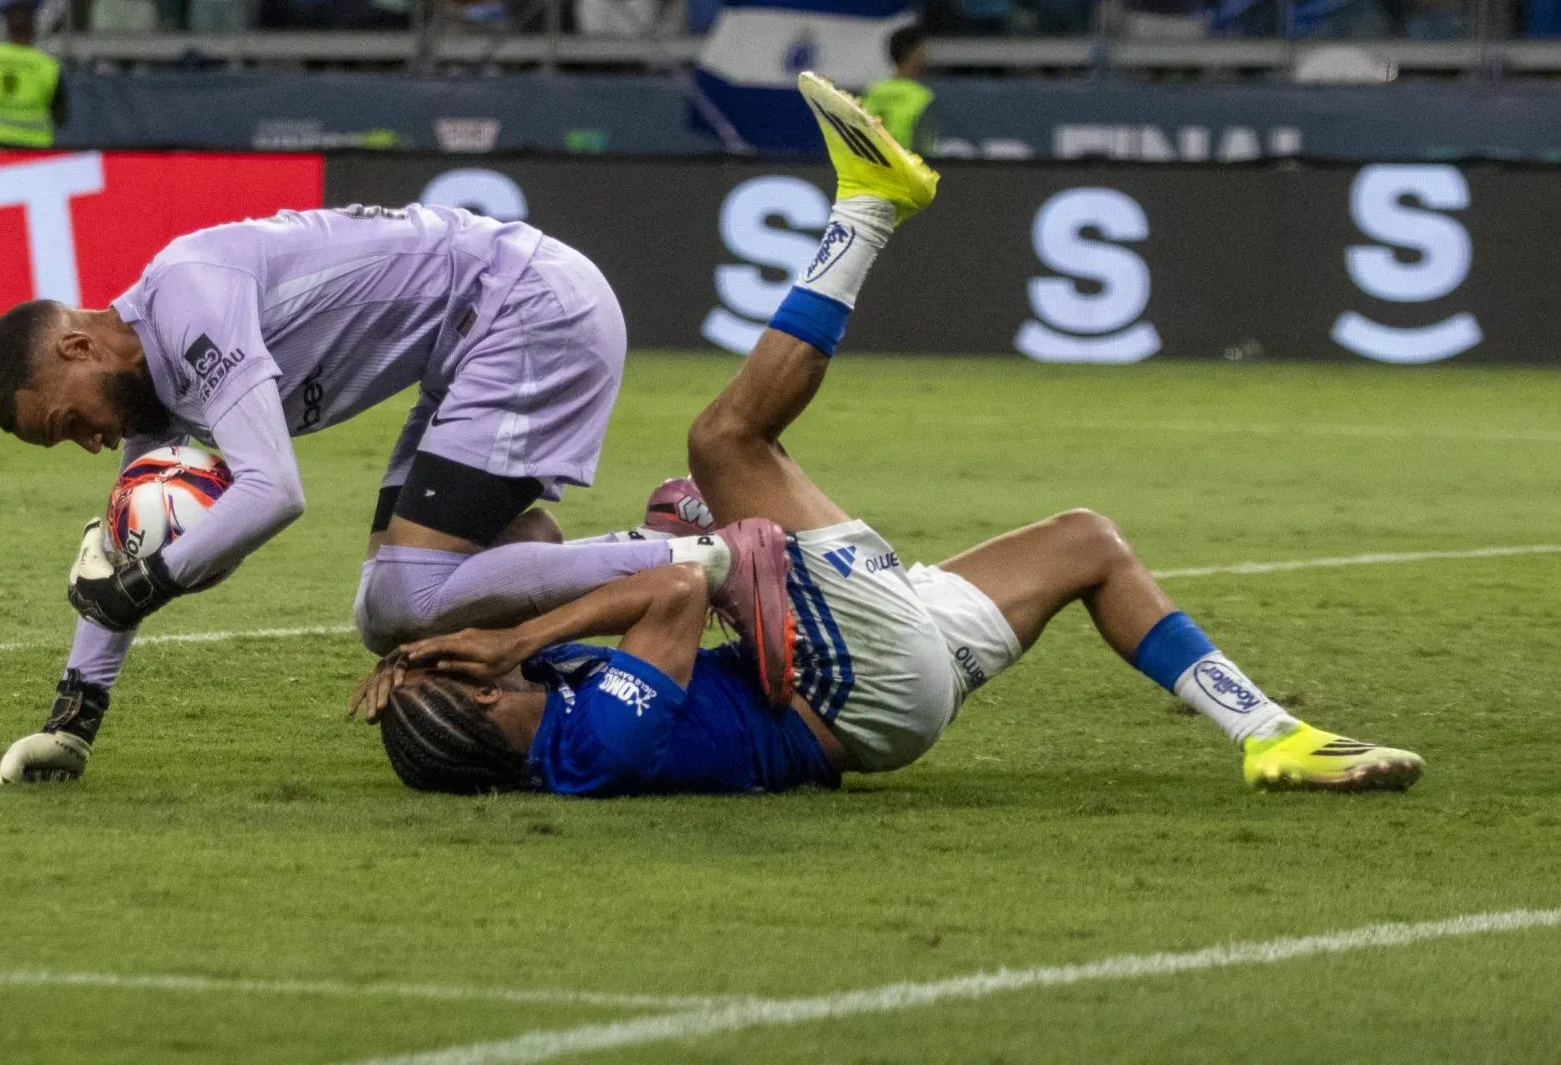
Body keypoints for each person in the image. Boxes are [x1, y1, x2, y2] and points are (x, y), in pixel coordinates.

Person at [358, 72, 1425, 799]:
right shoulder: (595, 745)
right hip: (848, 688)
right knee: (724, 446)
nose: (462, 662)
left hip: (884, 682)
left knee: (1085, 542)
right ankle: (868, 206)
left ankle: (1273, 737)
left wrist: (422, 649)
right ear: (486, 701)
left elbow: (539, 566)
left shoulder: (548, 713)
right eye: (461, 678)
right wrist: (518, 634)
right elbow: (676, 591)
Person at [0, 204, 793, 784]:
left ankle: (707, 555)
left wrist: (149, 582)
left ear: (80, 343)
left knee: (408, 590)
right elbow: (133, 559)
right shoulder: (151, 393)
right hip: (471, 346)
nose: (88, 443)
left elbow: (271, 491)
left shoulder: (191, 298)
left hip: (526, 311)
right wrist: (73, 718)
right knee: (388, 611)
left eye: (67, 421)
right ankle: (642, 538)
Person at [0, 0, 67, 147]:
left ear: (7, 26)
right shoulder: (48, 66)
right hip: (32, 152)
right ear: (33, 26)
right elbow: (61, 116)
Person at [861, 25, 935, 154]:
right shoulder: (923, 96)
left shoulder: (873, 91)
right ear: (913, 52)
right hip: (912, 167)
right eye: (923, 50)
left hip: (878, 165)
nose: (926, 55)